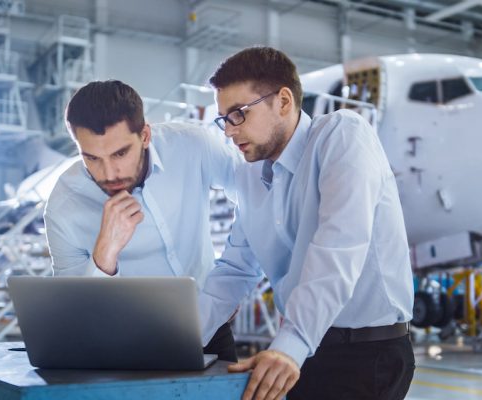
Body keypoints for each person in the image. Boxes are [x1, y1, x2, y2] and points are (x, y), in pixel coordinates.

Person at [199, 46, 415, 399]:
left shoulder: (342, 135)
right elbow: (236, 269)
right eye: (223, 119)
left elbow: (338, 246)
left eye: (238, 114)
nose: (228, 131)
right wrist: (183, 340)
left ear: (283, 101)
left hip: (366, 353)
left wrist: (292, 344)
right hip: (304, 351)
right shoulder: (250, 175)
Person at [44, 80, 242, 362]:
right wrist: (105, 254)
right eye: (91, 158)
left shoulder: (191, 145)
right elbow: (75, 318)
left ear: (145, 135)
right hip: (122, 344)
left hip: (210, 329)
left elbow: (255, 194)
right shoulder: (65, 206)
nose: (109, 173)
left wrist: (230, 282)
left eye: (120, 153)